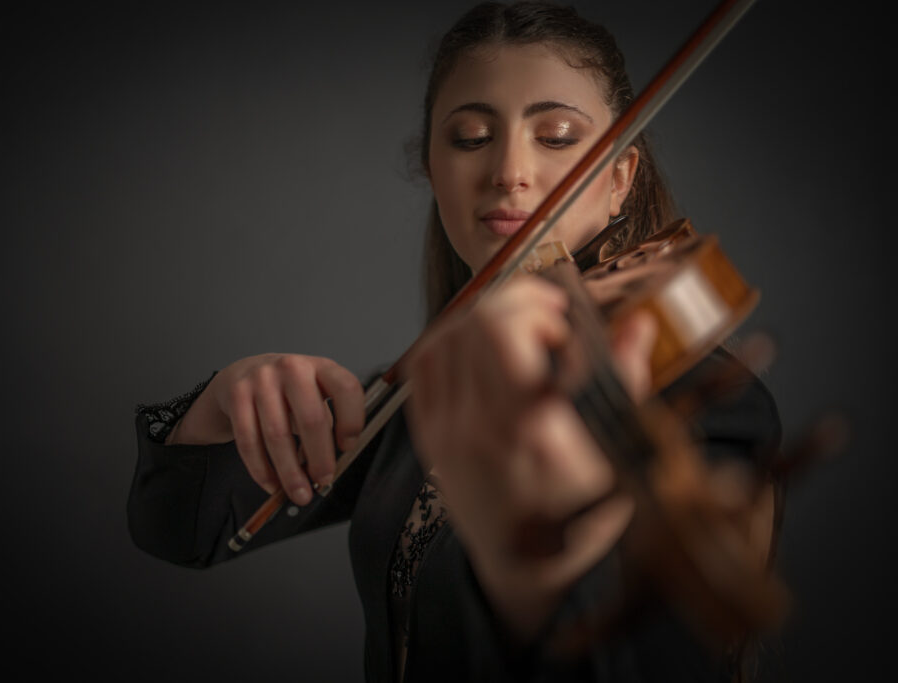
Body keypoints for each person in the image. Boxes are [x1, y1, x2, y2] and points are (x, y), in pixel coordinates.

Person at [127, 2, 782, 681]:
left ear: (619, 180)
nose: (509, 170)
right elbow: (184, 529)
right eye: (470, 137)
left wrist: (541, 574)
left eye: (557, 135)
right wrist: (221, 402)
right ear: (433, 171)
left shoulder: (701, 403)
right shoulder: (430, 395)